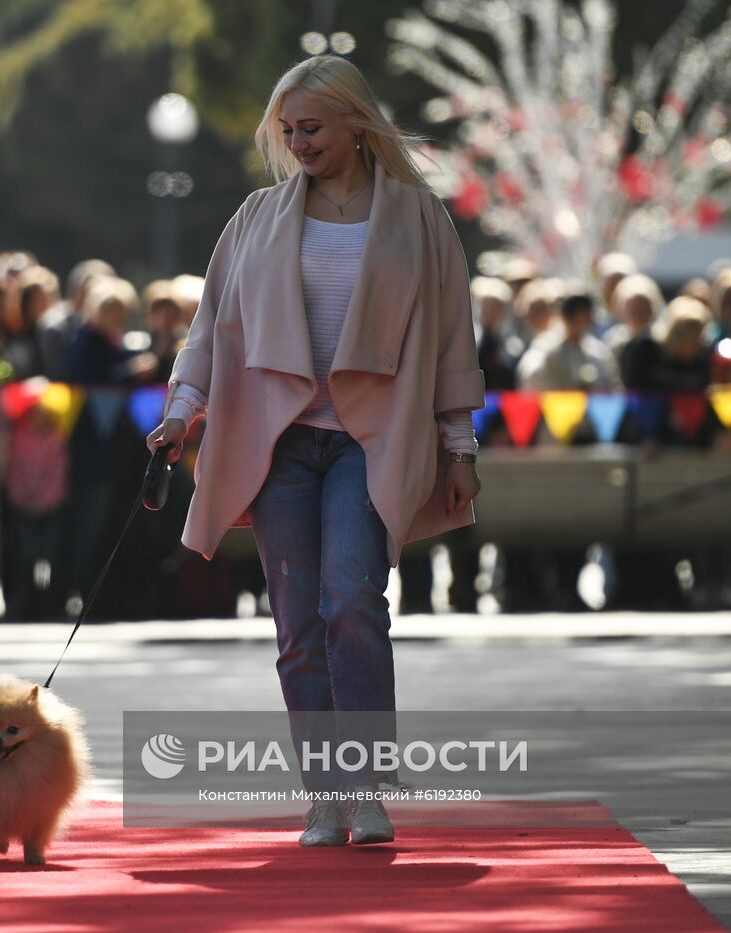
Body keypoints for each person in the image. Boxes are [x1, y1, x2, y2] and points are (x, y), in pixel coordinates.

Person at [147, 55, 484, 848]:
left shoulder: (419, 218)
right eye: (287, 130)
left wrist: (459, 444)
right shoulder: (257, 217)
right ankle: (323, 794)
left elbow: (449, 339)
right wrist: (180, 413)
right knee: (298, 621)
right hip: (280, 448)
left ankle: (368, 783)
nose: (297, 142)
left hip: (374, 442)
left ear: (358, 125)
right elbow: (211, 329)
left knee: (351, 601)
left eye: (312, 128)